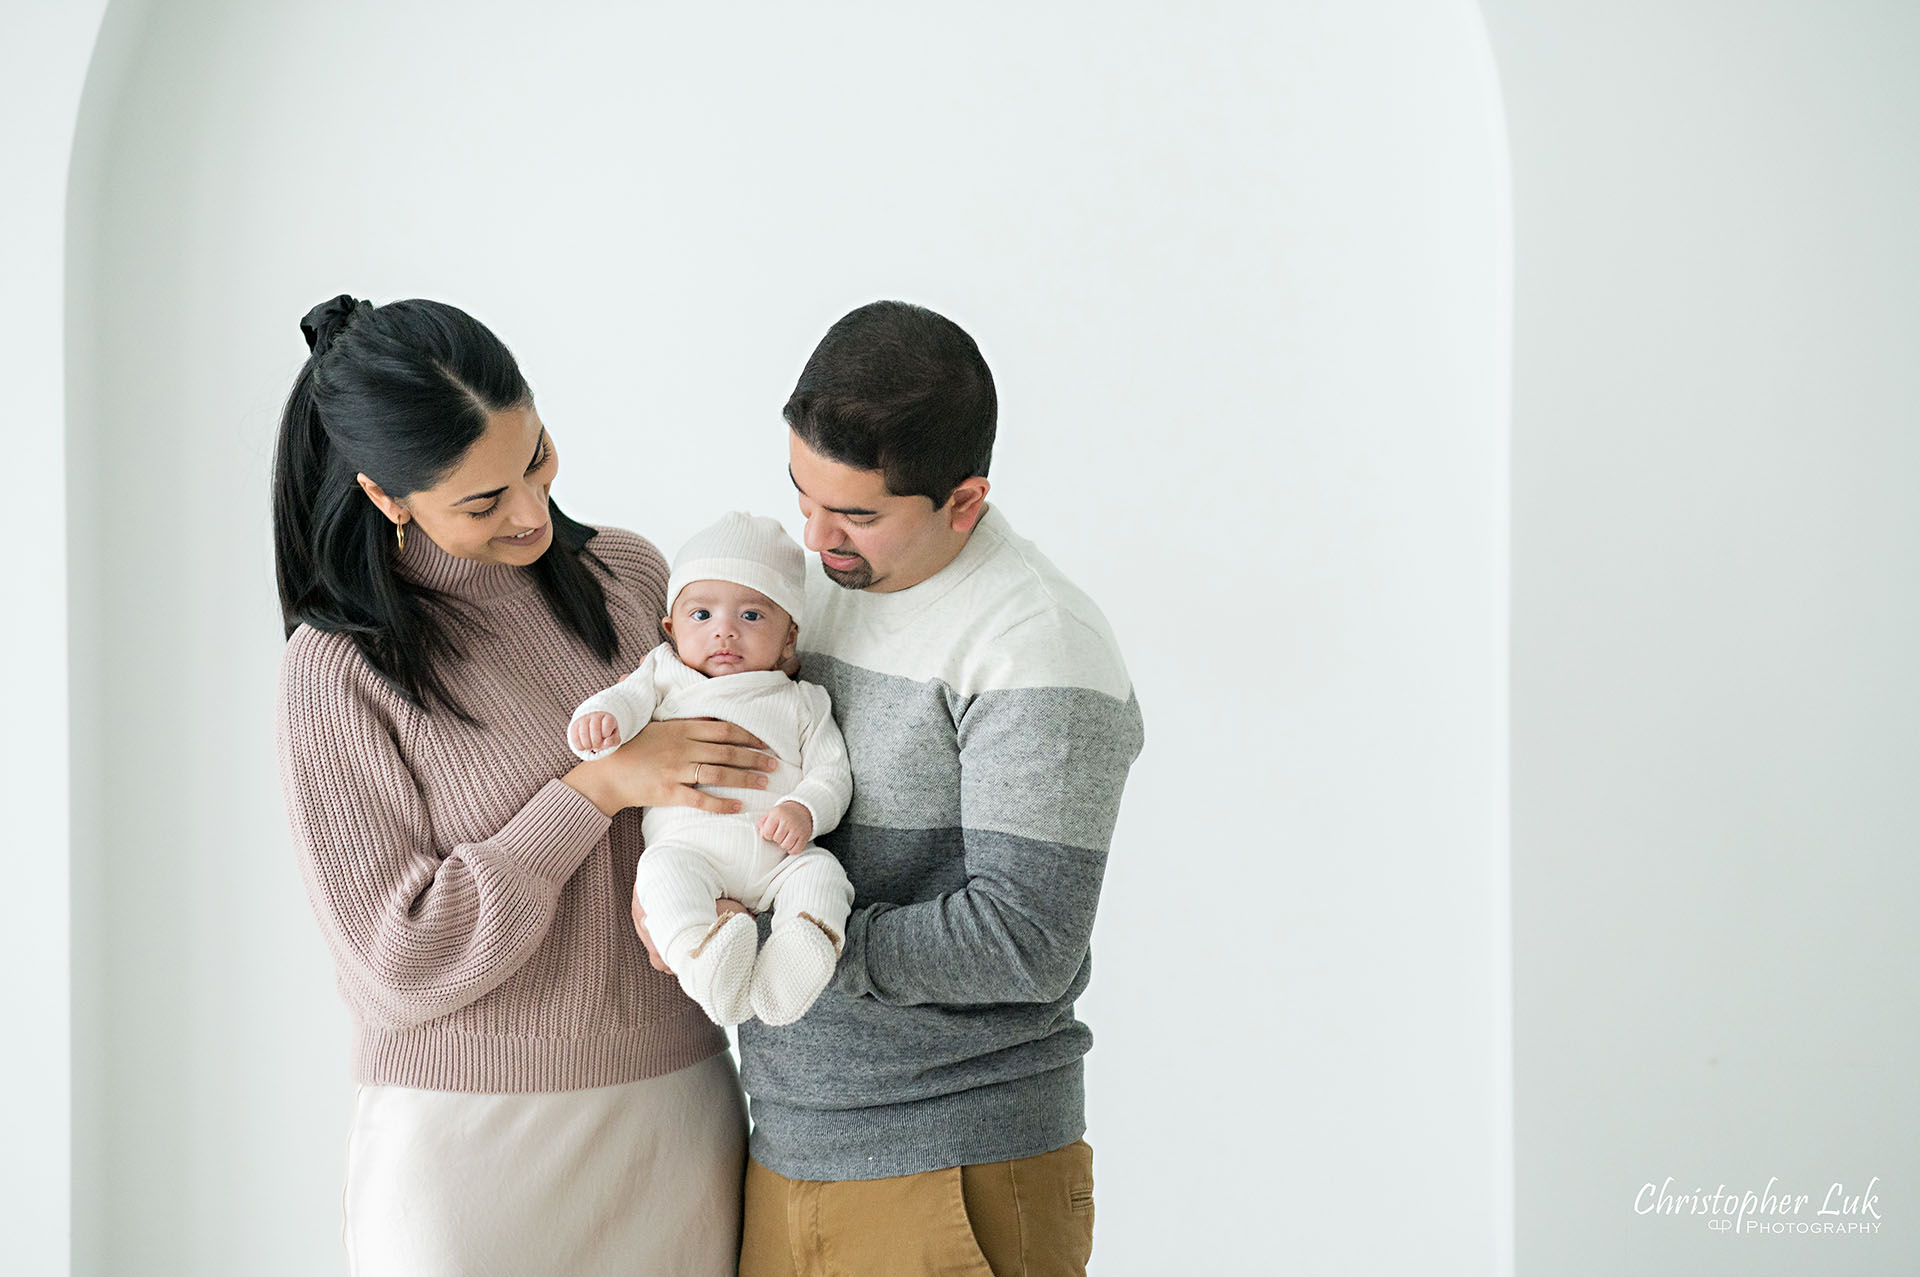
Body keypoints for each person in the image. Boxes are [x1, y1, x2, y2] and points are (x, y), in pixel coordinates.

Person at [272, 295, 777, 1277]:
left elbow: (721, 796)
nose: (531, 511)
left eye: (536, 456)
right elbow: (398, 961)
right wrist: (592, 790)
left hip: (676, 1113)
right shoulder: (339, 669)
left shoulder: (632, 582)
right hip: (471, 1152)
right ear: (387, 495)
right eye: (481, 499)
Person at [638, 300, 1145, 1275]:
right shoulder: (805, 594)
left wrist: (795, 936)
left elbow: (1024, 942)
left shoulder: (1035, 643)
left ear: (964, 500)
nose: (818, 539)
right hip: (785, 1142)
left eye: (859, 514)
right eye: (803, 495)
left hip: (953, 1163)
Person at [568, 511, 855, 1027]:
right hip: (690, 849)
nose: (724, 631)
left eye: (751, 616)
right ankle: (706, 960)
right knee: (658, 874)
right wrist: (600, 722)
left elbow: (832, 773)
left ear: (789, 639)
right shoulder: (664, 673)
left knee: (823, 874)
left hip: (779, 854)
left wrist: (805, 809)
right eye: (702, 615)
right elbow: (626, 703)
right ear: (671, 628)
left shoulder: (802, 701)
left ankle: (798, 950)